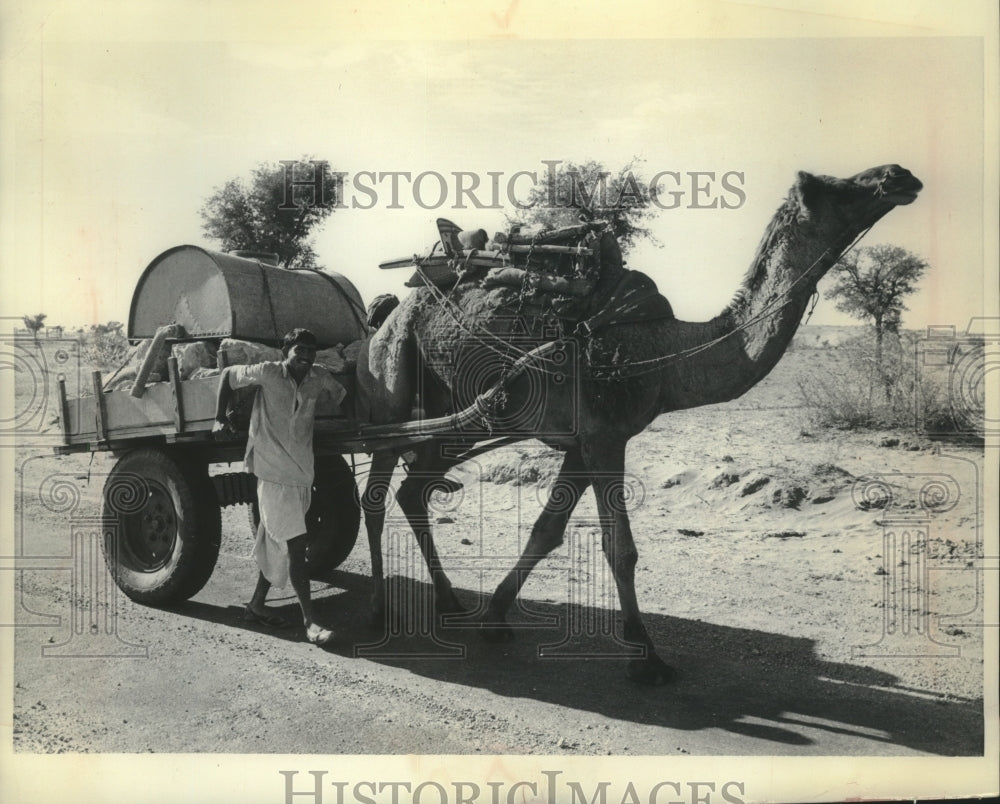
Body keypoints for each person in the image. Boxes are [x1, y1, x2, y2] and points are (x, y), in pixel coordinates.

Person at [213, 328, 346, 646]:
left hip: (301, 475)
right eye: (299, 349)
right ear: (285, 350)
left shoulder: (318, 377)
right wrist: (219, 417)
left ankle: (257, 605)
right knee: (297, 547)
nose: (305, 357)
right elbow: (228, 375)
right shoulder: (269, 372)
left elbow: (341, 395)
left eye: (311, 352)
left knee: (277, 544)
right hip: (272, 474)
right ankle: (311, 622)